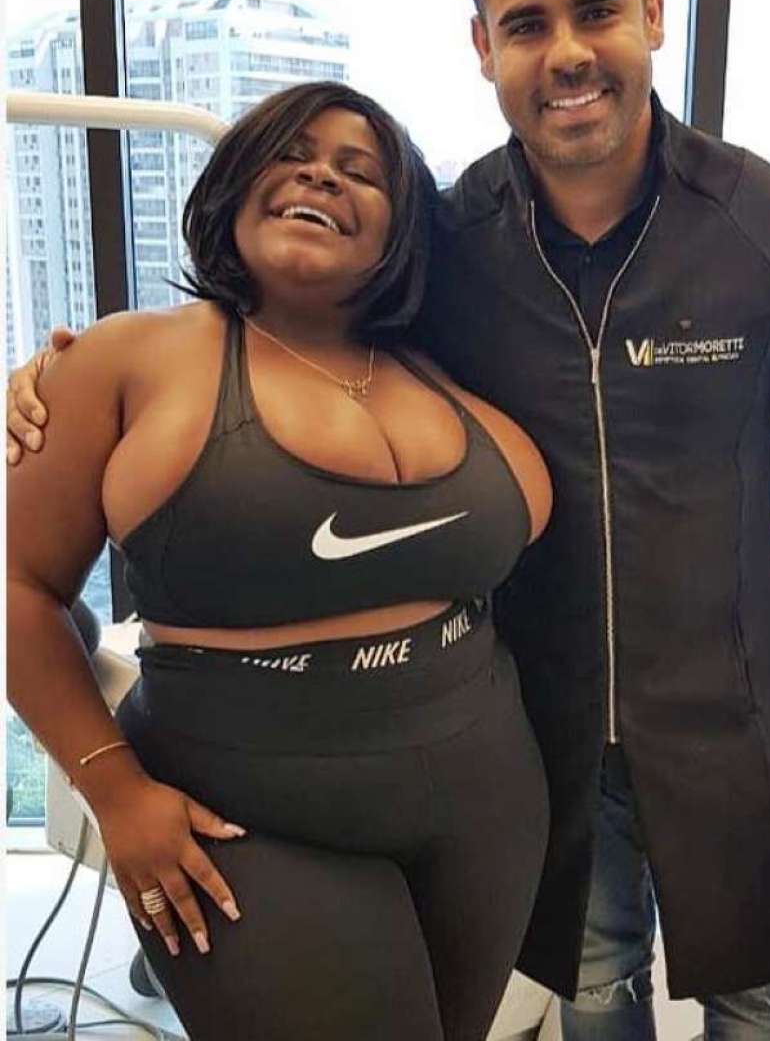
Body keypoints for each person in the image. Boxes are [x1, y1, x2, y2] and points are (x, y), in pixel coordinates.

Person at [7, 0, 770, 1041]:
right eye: (526, 24)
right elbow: (299, 327)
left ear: (652, 14)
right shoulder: (450, 245)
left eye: (596, 10)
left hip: (734, 707)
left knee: (755, 997)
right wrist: (68, 377)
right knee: (593, 991)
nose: (566, 54)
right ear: (483, 46)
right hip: (539, 717)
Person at [7, 81, 554, 1041]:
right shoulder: (124, 360)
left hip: (485, 802)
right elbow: (17, 589)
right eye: (292, 155)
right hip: (242, 817)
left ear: (401, 231)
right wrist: (115, 791)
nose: (320, 176)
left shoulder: (448, 371)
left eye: (360, 171)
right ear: (234, 186)